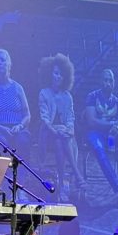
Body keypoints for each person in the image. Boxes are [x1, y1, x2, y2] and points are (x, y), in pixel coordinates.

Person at [37, 52, 85, 201]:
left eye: (61, 74)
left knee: (61, 141)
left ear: (65, 77)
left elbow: (71, 118)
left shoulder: (67, 96)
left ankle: (63, 182)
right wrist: (56, 130)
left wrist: (68, 130)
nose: (58, 77)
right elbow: (45, 119)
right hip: (48, 132)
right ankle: (76, 174)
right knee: (59, 139)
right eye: (55, 73)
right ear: (50, 74)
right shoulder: (44, 93)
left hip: (63, 135)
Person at [84, 68, 118, 204]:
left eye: (110, 80)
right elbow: (91, 122)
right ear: (100, 81)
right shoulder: (92, 97)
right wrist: (112, 123)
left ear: (114, 82)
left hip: (112, 137)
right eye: (105, 80)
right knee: (99, 149)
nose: (108, 83)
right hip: (95, 134)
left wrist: (117, 128)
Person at [0, 48, 30, 159]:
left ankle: (21, 170)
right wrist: (2, 128)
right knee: (1, 143)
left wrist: (20, 126)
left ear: (9, 64)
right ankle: (3, 170)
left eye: (2, 60)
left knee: (23, 140)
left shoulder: (18, 88)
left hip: (17, 128)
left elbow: (27, 115)